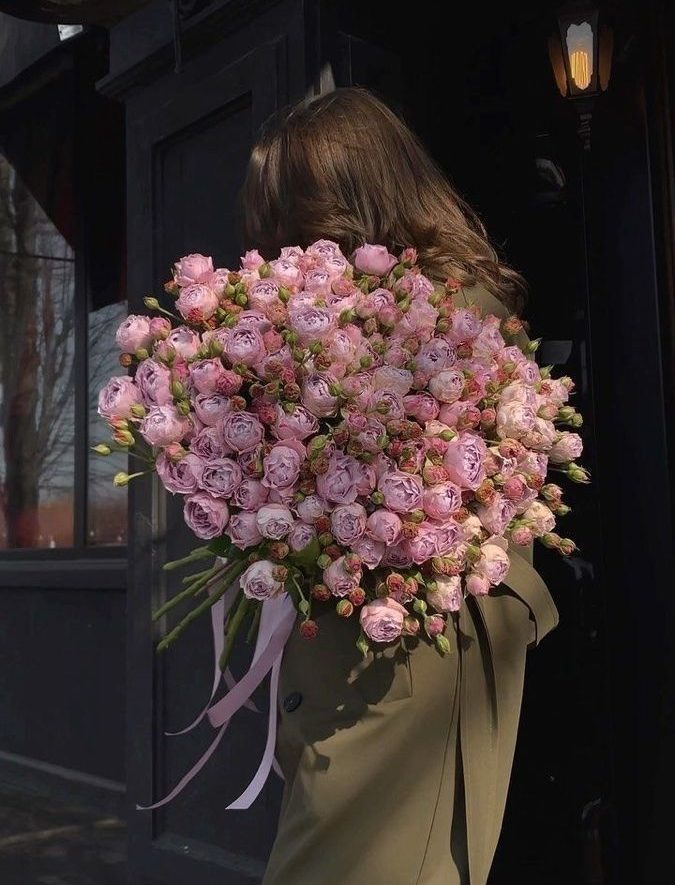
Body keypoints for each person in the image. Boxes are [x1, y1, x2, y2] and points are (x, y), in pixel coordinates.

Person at [239, 87, 559, 885]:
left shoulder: (450, 328)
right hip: (370, 666)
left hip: (400, 671)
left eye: (294, 224)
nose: (281, 251)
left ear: (348, 207)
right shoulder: (379, 322)